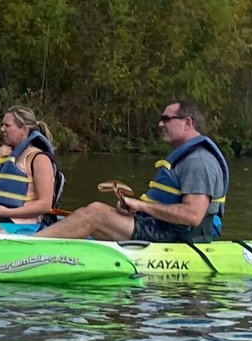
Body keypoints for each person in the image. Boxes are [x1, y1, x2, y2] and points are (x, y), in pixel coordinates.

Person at [41, 100, 227, 244]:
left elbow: (193, 216)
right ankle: (46, 244)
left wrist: (141, 206)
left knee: (97, 212)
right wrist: (135, 209)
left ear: (187, 122)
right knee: (88, 212)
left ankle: (30, 246)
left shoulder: (199, 162)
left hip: (179, 236)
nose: (161, 124)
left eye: (167, 119)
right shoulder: (189, 157)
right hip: (162, 227)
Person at [0, 106, 62, 229]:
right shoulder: (2, 155)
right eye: (2, 125)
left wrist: (6, 212)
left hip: (18, 222)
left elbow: (45, 205)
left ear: (24, 130)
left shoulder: (38, 158)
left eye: (7, 126)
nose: (2, 129)